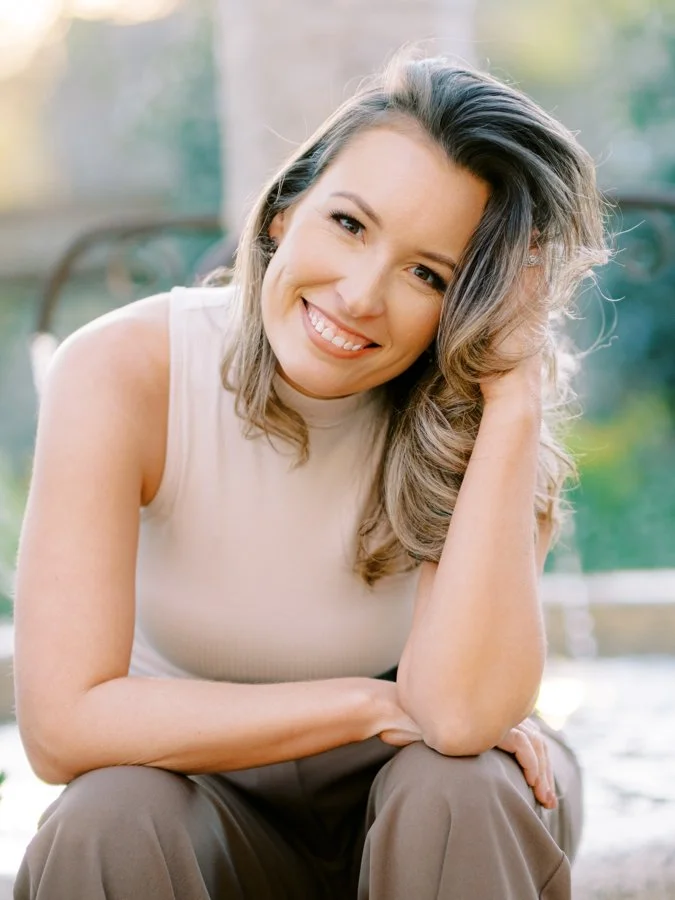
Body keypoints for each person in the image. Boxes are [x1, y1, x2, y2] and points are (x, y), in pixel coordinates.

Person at [12, 51, 609, 899]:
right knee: (110, 812)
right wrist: (370, 705)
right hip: (198, 800)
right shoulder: (124, 371)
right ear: (285, 209)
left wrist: (513, 399)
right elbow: (64, 727)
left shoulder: (473, 422)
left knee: (457, 784)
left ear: (466, 305)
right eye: (350, 224)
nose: (361, 295)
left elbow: (462, 718)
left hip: (429, 801)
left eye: (426, 274)